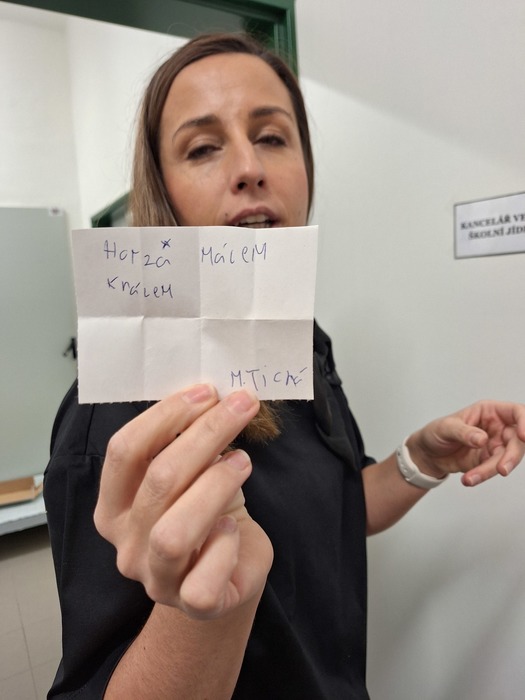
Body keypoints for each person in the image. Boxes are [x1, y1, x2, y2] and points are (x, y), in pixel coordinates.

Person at [44, 32, 525, 699]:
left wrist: (419, 461)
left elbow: (337, 508)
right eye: (203, 148)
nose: (248, 167)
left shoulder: (304, 343)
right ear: (162, 189)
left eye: (271, 137)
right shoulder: (111, 417)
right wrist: (203, 613)